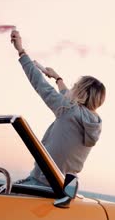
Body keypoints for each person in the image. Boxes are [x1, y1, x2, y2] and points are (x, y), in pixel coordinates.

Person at [10, 30, 106, 186]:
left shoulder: (68, 109)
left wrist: (21, 51)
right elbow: (66, 96)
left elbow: (40, 84)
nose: (72, 87)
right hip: (61, 188)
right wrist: (57, 78)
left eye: (75, 86)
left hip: (39, 183)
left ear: (80, 91)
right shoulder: (94, 123)